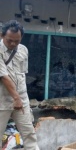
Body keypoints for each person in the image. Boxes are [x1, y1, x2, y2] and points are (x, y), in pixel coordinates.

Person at [0, 20, 40, 149]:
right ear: (2, 36)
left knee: (29, 133)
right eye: (9, 40)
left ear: (21, 38)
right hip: (2, 100)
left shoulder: (23, 50)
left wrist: (21, 98)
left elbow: (22, 74)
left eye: (16, 41)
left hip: (21, 98)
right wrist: (16, 98)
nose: (13, 44)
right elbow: (4, 77)